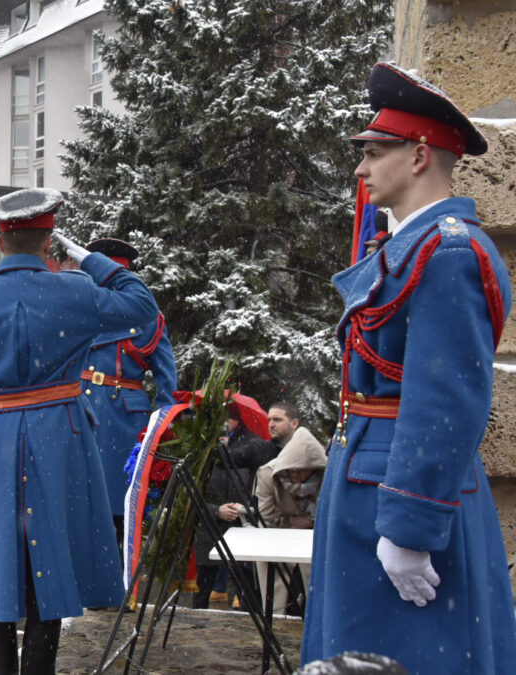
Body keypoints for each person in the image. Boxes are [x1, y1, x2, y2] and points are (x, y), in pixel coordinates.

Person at [302, 62, 516, 673]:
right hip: (375, 477)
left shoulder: (446, 252)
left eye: (373, 152)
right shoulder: (419, 246)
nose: (360, 168)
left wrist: (410, 527)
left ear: (420, 155)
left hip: (400, 494)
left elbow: (446, 400)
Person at [0, 187, 159, 674]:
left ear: (0, 241)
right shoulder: (77, 290)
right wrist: (91, 258)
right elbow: (141, 306)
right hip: (62, 437)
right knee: (49, 562)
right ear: (50, 239)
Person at [79, 238, 177, 541]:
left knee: (120, 507)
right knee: (79, 500)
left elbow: (166, 377)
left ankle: (121, 575)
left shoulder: (147, 317)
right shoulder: (80, 309)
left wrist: (159, 426)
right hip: (80, 407)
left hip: (123, 417)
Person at [192, 407, 277, 610]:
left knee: (246, 589)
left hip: (242, 526)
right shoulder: (202, 449)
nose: (223, 425)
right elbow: (191, 495)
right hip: (209, 527)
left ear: (237, 421)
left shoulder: (254, 446)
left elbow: (262, 487)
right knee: (202, 590)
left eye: (227, 420)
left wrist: (246, 508)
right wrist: (215, 510)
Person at [254, 426, 325, 614]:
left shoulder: (328, 477)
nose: (295, 475)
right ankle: (274, 620)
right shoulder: (268, 474)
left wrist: (314, 521)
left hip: (317, 536)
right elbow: (265, 519)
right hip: (279, 536)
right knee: (272, 579)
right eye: (292, 469)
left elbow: (336, 514)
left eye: (302, 471)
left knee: (319, 585)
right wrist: (291, 523)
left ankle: (316, 619)